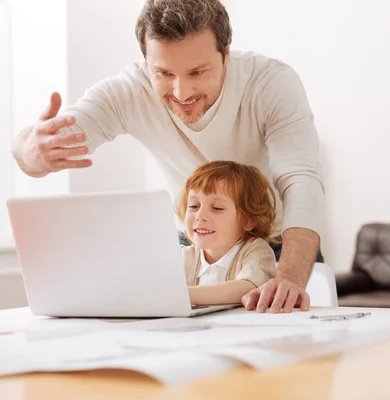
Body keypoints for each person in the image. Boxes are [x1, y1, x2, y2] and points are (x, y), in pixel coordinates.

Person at [11, 0, 324, 313]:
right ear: (146, 62)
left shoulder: (270, 83)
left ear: (226, 54)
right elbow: (45, 142)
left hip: (278, 245)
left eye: (197, 72)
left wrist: (290, 276)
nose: (182, 92)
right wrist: (30, 150)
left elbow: (300, 179)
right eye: (163, 72)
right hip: (194, 246)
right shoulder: (129, 90)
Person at [175, 161, 290, 308]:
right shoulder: (182, 256)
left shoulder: (256, 251)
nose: (200, 215)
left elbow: (249, 288)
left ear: (248, 220)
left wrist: (184, 295)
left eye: (217, 208)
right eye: (194, 206)